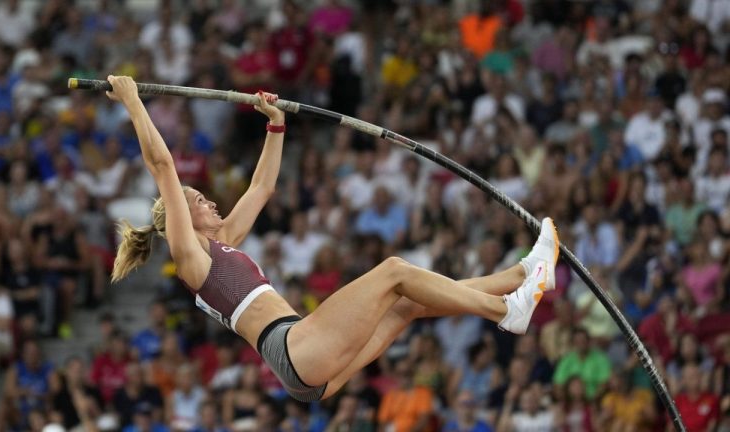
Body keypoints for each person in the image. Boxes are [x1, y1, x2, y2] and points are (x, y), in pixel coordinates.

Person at [106, 75, 560, 402]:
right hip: (294, 348)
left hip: (308, 368)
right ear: (182, 218)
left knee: (408, 304)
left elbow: (262, 188)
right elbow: (163, 166)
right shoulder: (189, 256)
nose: (210, 203)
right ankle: (506, 311)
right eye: (200, 200)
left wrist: (276, 124)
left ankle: (523, 274)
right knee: (395, 271)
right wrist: (132, 100)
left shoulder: (221, 243)